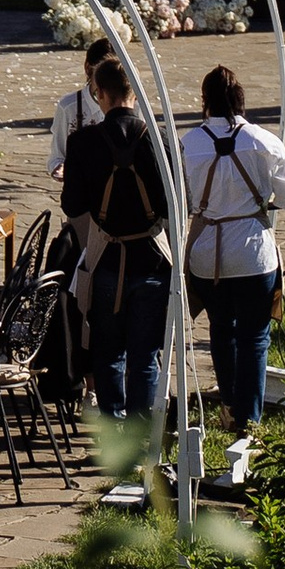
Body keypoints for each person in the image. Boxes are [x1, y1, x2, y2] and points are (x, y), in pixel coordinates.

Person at [177, 66, 285, 476]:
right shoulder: (263, 141)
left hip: (206, 253)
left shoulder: (188, 144)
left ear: (205, 101)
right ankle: (249, 421)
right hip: (252, 253)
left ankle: (232, 405)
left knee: (221, 327)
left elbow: (180, 200)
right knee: (254, 335)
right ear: (241, 101)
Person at [61, 53, 170, 419]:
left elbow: (72, 202)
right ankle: (141, 436)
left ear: (99, 93)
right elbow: (175, 204)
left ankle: (113, 432)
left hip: (107, 258)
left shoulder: (82, 144)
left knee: (108, 352)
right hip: (152, 259)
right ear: (134, 94)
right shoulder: (160, 139)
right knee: (145, 355)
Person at [47, 39, 116, 178]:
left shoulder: (134, 106)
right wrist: (60, 168)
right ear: (88, 68)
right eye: (102, 74)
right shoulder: (69, 107)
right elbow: (57, 156)